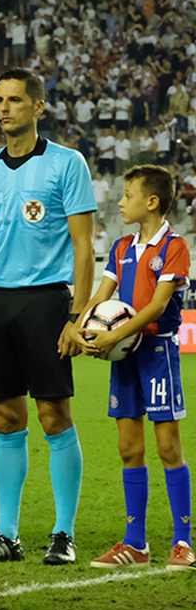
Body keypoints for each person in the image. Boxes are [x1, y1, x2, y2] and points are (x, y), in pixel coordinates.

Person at [0, 70, 97, 566]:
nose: (4, 109)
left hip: (46, 301)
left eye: (15, 100)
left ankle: (63, 534)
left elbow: (84, 248)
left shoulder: (67, 163)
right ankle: (7, 534)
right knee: (5, 418)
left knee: (53, 415)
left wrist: (76, 315)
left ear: (38, 107)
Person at [78, 165, 192, 570]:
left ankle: (183, 542)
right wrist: (78, 330)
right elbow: (101, 295)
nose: (121, 202)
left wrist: (114, 334)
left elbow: (159, 305)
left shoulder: (175, 247)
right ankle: (136, 543)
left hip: (157, 351)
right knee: (129, 448)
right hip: (123, 355)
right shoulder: (122, 246)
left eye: (127, 195)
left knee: (167, 446)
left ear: (152, 202)